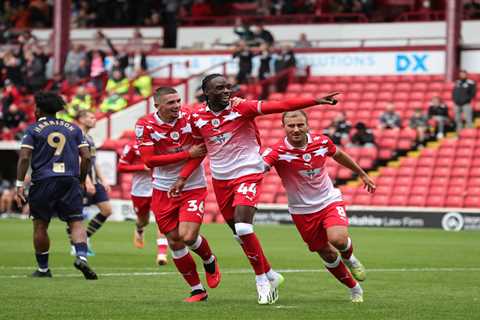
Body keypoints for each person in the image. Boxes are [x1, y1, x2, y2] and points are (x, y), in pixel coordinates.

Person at [169, 74, 339, 305]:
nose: (227, 91)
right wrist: (181, 178)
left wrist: (315, 100)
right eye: (220, 88)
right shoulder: (196, 117)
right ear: (206, 92)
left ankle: (261, 280)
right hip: (220, 179)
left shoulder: (242, 108)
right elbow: (199, 149)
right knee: (238, 234)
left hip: (248, 172)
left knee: (243, 226)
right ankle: (270, 273)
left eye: (228, 87)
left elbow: (280, 105)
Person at [263, 110, 375, 303]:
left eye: (300, 125)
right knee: (328, 253)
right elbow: (260, 168)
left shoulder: (322, 142)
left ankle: (350, 259)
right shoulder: (277, 151)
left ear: (307, 125)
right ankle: (355, 288)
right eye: (291, 125)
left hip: (328, 201)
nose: (296, 129)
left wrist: (362, 173)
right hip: (302, 211)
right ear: (284, 128)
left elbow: (339, 155)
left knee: (338, 239)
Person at [136, 87, 221, 302]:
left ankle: (209, 260)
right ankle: (197, 290)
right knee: (174, 241)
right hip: (162, 190)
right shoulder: (145, 125)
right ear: (157, 106)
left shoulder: (191, 118)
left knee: (188, 236)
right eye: (170, 103)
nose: (176, 106)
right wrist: (185, 154)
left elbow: (199, 152)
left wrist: (182, 178)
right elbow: (148, 160)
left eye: (178, 101)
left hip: (192, 186)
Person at [14, 91, 97, 279]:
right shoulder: (74, 128)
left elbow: (25, 157)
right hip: (69, 180)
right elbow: (86, 156)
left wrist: (19, 184)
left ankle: (43, 269)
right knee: (76, 221)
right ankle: (82, 257)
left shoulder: (33, 129)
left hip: (43, 181)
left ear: (39, 109)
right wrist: (82, 179)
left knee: (41, 225)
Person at [67, 110, 113, 256]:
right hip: (80, 181)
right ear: (81, 119)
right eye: (91, 117)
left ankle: (83, 239)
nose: (95, 120)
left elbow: (93, 161)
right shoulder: (75, 136)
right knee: (76, 215)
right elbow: (77, 160)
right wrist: (86, 180)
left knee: (107, 210)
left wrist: (103, 179)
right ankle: (75, 245)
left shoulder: (90, 138)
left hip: (93, 181)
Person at [118, 141, 168, 265]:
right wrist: (142, 167)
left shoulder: (163, 142)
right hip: (140, 191)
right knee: (143, 220)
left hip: (160, 187)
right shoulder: (132, 146)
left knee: (162, 220)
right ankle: (139, 229)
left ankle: (162, 254)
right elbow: (121, 167)